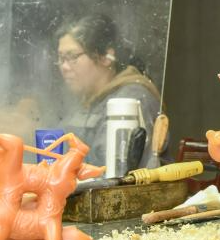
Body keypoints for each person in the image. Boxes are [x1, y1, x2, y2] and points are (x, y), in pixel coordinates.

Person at [56, 14, 161, 169]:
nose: (64, 67)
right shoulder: (90, 101)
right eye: (61, 58)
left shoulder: (132, 98)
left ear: (106, 57)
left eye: (72, 57)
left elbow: (115, 170)